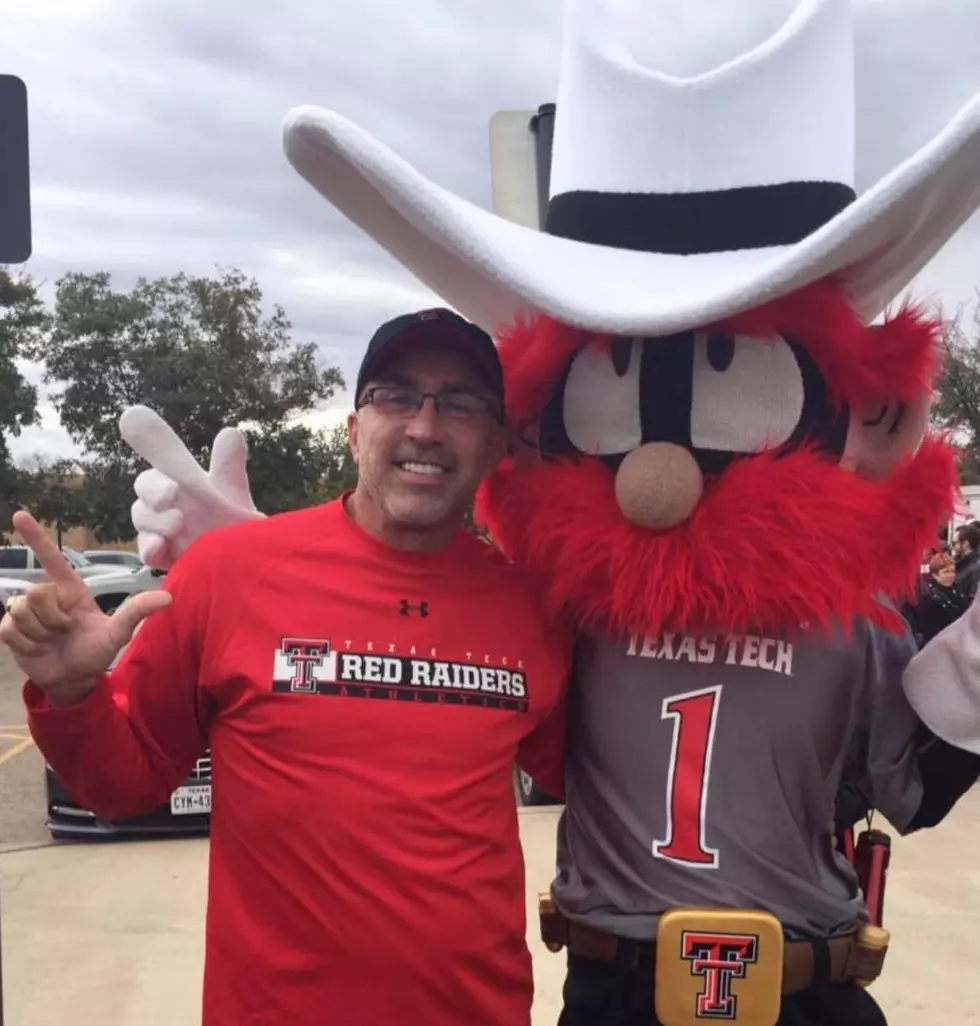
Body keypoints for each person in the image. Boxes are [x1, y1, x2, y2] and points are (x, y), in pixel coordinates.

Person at [0, 308, 571, 1026]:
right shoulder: (225, 574)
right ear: (355, 429)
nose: (425, 425)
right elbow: (124, 785)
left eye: (460, 403)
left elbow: (585, 781)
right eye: (396, 395)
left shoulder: (534, 606)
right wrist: (74, 689)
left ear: (495, 445)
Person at [903, 551, 971, 648]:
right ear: (935, 575)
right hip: (935, 645)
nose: (951, 575)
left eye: (952, 571)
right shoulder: (927, 596)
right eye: (946, 572)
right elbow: (926, 626)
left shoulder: (958, 591)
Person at [951, 522, 980, 601]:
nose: (952, 547)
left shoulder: (976, 568)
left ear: (965, 544)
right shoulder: (957, 562)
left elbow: (973, 601)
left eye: (954, 543)